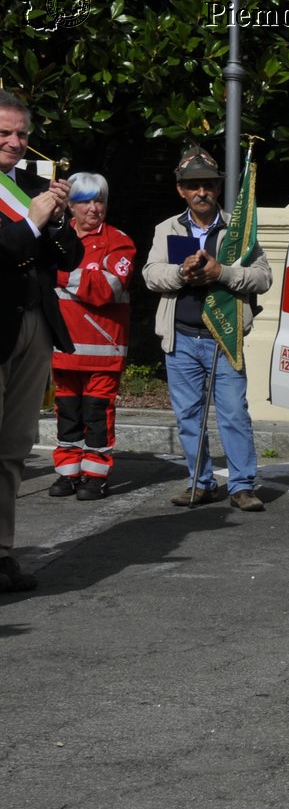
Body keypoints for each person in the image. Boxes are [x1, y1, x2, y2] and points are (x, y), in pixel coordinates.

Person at [142, 145, 271, 512]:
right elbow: (150, 276)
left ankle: (242, 485)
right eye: (193, 185)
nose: (202, 192)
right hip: (180, 337)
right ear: (181, 190)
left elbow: (263, 277)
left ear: (217, 188)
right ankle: (200, 483)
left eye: (208, 185)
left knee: (233, 412)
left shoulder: (239, 230)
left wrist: (222, 273)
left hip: (223, 337)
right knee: (188, 417)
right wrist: (181, 273)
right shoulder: (165, 229)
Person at [0, 91, 83, 594]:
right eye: (4, 133)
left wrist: (55, 217)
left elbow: (67, 256)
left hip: (33, 321)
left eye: (22, 134)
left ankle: (2, 551)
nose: (15, 142)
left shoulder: (25, 186)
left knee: (13, 448)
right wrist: (32, 218)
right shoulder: (21, 200)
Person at [48, 172, 136, 501]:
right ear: (70, 206)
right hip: (63, 344)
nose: (93, 208)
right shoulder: (55, 236)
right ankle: (68, 472)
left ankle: (95, 476)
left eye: (99, 200)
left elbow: (105, 290)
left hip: (104, 348)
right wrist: (80, 276)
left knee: (97, 414)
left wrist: (57, 274)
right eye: (85, 201)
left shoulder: (120, 242)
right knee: (67, 410)